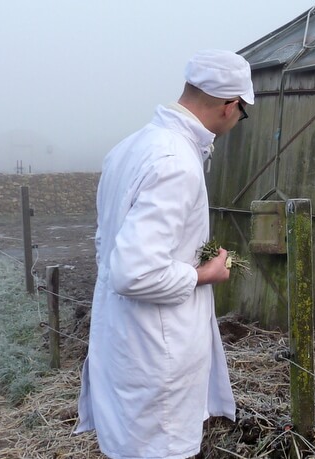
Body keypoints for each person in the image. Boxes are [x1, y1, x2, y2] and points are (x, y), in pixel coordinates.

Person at [75, 49, 253, 459]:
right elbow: (135, 271)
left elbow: (108, 246)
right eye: (242, 112)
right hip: (157, 354)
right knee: (160, 449)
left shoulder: (129, 148)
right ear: (230, 105)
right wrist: (204, 273)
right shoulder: (176, 163)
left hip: (125, 339)